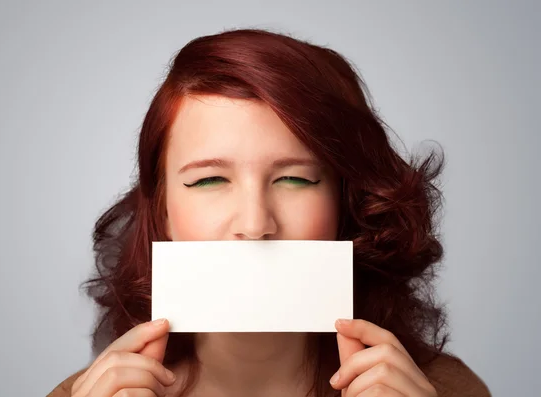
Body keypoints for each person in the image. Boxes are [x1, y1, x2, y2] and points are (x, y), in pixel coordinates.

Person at [48, 29, 490, 397]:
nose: (255, 225)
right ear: (161, 211)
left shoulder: (442, 390)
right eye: (208, 180)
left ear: (345, 201)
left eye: (295, 179)